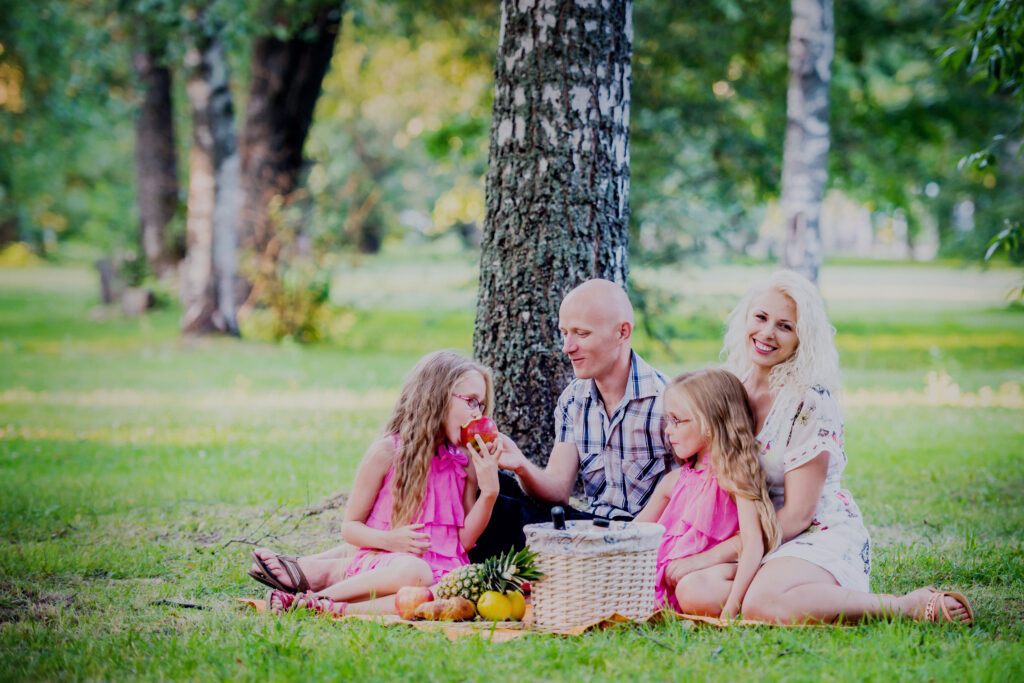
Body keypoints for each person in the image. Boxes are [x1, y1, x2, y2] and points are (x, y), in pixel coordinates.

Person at [669, 270, 973, 625]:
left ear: (802, 337)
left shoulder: (808, 402)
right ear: (746, 318)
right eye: (761, 318)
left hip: (813, 531)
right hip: (753, 537)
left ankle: (904, 605)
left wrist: (714, 555)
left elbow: (798, 515)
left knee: (760, 603)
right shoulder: (729, 386)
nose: (767, 333)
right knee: (693, 591)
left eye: (785, 326)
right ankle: (788, 597)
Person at [253, 350, 501, 616]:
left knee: (446, 594)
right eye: (471, 401)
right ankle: (317, 596)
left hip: (439, 574)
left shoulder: (462, 463)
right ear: (437, 397)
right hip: (388, 563)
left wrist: (489, 491)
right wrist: (391, 540)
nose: (478, 414)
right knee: (415, 571)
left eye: (482, 405)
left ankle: (332, 608)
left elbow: (460, 543)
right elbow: (350, 528)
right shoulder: (386, 453)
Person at [470, 278, 674, 561]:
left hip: (643, 539)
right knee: (491, 489)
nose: (567, 347)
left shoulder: (666, 400)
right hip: (591, 528)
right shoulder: (573, 399)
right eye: (564, 333)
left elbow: (690, 490)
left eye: (581, 333)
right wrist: (521, 466)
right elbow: (557, 493)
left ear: (622, 332)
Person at [633, 369, 781, 619]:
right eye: (667, 420)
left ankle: (759, 601)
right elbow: (633, 534)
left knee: (692, 591)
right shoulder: (673, 482)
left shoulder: (734, 478)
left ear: (710, 424)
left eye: (677, 420)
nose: (668, 430)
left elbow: (754, 541)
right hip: (673, 580)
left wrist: (731, 608)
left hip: (715, 576)